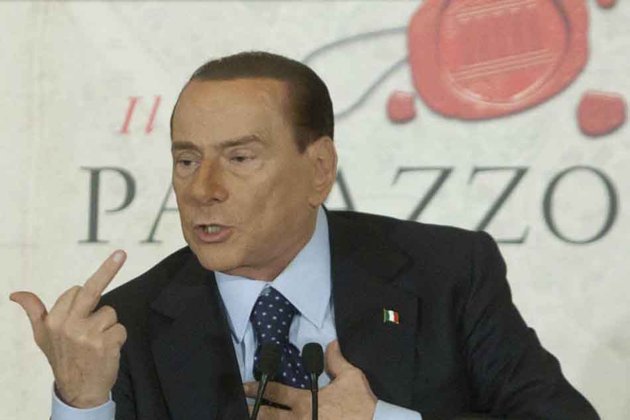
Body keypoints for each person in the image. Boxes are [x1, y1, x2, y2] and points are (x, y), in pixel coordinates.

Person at [10, 51, 600, 420]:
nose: (203, 189)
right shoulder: (124, 327)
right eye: (186, 160)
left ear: (319, 169)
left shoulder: (447, 272)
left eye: (239, 158)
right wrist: (82, 401)